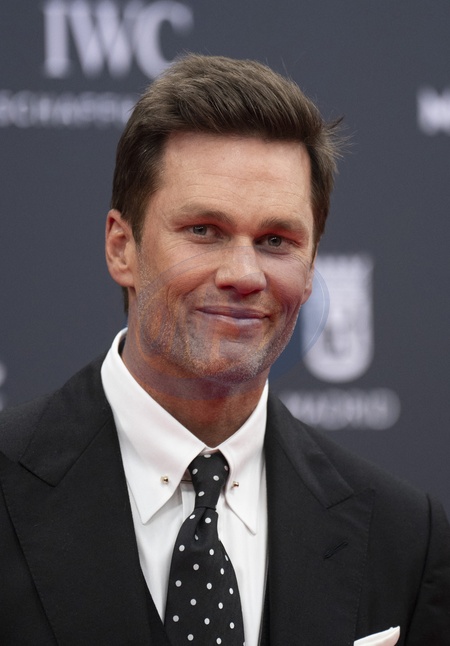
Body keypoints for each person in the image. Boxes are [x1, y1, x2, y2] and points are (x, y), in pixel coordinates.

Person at [1, 54, 449, 646]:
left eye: (276, 241)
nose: (244, 274)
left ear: (311, 269)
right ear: (121, 248)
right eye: (204, 231)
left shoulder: (405, 538)